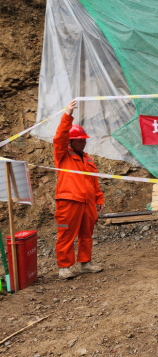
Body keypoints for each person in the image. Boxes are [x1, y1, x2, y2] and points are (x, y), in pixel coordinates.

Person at [53, 99, 104, 280]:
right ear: (71, 141)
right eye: (80, 141)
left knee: (86, 234)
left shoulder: (88, 159)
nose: (83, 143)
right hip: (69, 201)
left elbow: (93, 181)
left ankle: (85, 263)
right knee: (66, 234)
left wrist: (98, 198)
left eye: (84, 140)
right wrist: (68, 115)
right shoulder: (63, 155)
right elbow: (59, 137)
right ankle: (64, 267)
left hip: (87, 202)